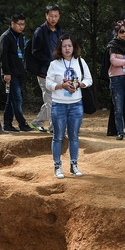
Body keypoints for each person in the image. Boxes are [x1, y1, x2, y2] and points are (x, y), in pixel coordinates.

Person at [46, 33, 92, 179]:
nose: (67, 48)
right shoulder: (54, 64)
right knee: (58, 137)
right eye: (64, 46)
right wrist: (61, 85)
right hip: (59, 105)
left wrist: (78, 84)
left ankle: (74, 165)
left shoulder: (80, 61)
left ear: (74, 47)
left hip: (76, 105)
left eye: (70, 46)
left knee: (74, 136)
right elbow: (48, 84)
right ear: (60, 47)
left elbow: (89, 79)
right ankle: (57, 166)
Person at [28, 4, 61, 133]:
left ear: (59, 17)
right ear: (46, 15)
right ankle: (54, 128)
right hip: (44, 71)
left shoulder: (59, 31)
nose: (53, 19)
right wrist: (48, 62)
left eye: (56, 16)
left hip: (57, 71)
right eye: (51, 16)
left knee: (52, 99)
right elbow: (35, 52)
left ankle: (37, 122)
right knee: (51, 100)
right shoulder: (40, 31)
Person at [0, 14, 30, 132]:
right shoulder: (6, 37)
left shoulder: (21, 37)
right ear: (12, 23)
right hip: (10, 73)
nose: (22, 27)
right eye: (19, 24)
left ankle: (7, 124)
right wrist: (6, 73)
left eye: (23, 24)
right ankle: (22, 123)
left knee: (11, 100)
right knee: (17, 99)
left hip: (20, 72)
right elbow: (3, 56)